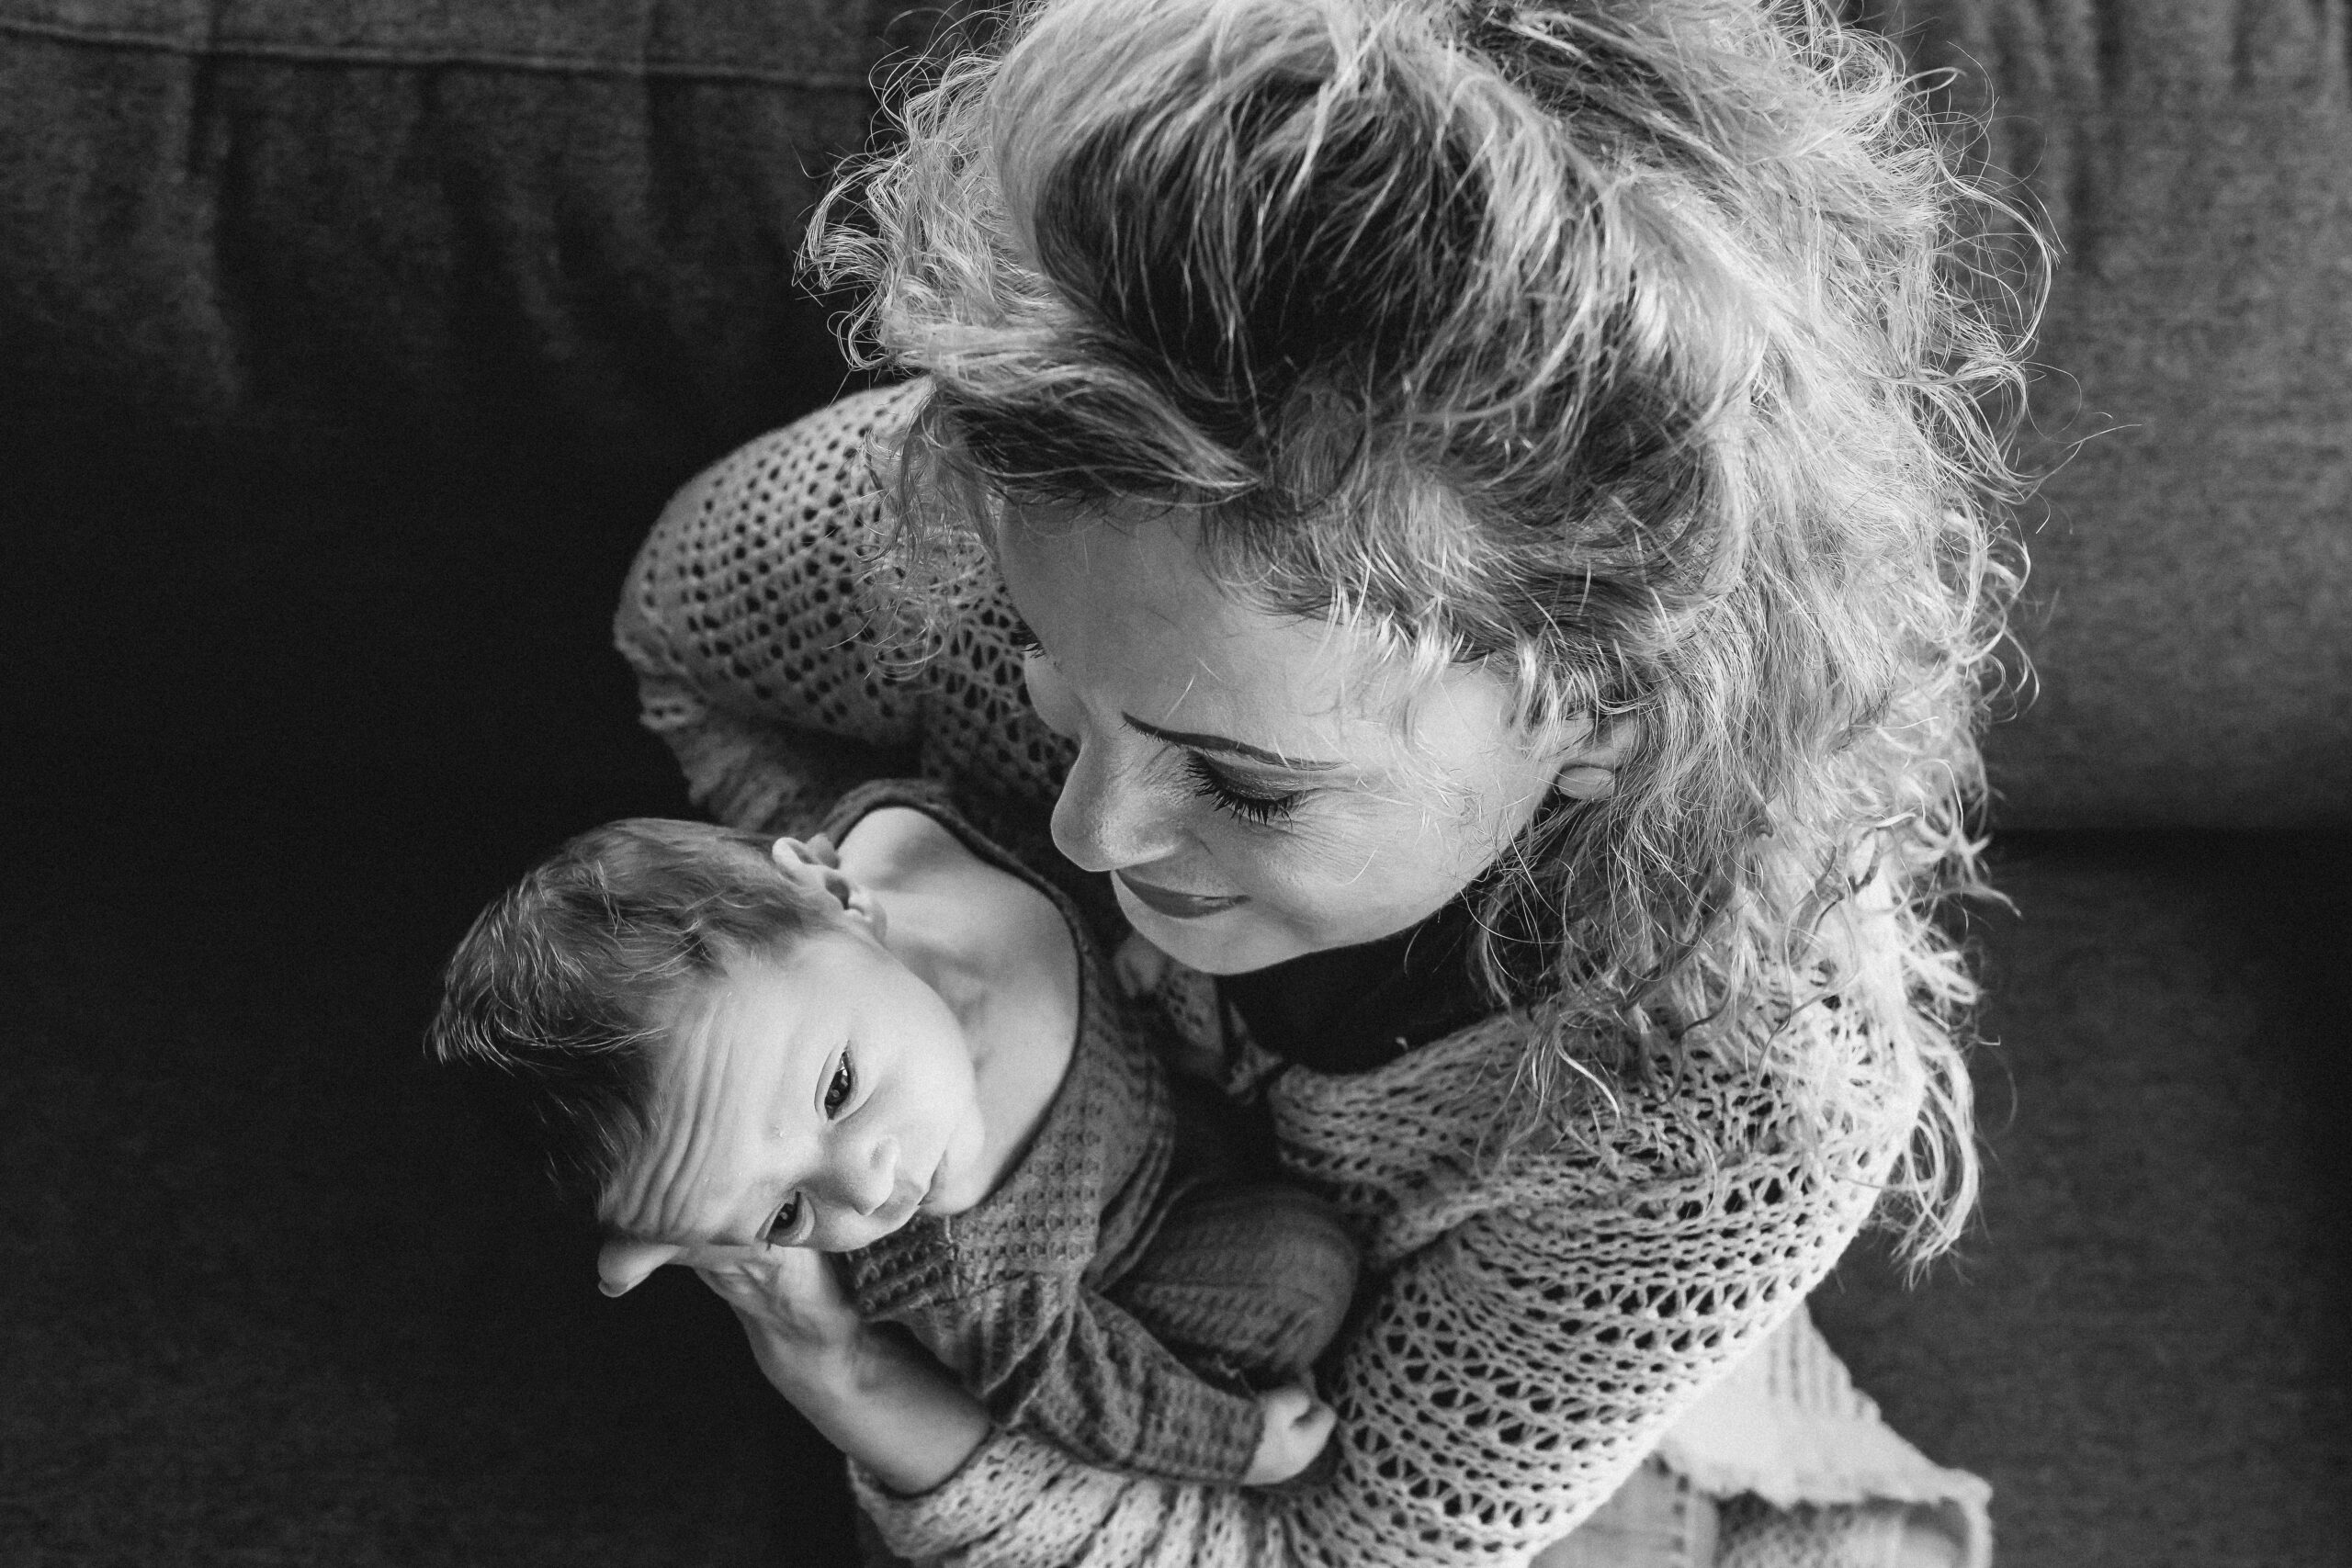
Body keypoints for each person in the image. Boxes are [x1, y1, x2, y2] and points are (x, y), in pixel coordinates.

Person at [613, 0, 2039, 1562]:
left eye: (1249, 782)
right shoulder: (1045, 506)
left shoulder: (1724, 1108)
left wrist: (852, 1372)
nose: (1090, 835)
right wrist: (823, 953)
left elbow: (1323, 1550)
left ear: (1611, 718)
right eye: (1047, 671)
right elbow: (688, 641)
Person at [427, 784, 1361, 1487]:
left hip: (1147, 1068)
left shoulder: (911, 834)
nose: (866, 1193)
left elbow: (1054, 830)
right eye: (785, 1214)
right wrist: (1234, 1443)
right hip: (1139, 1241)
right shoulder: (960, 1251)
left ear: (834, 889)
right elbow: (1062, 1382)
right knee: (1305, 1267)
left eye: (838, 1089)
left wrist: (1148, 934)